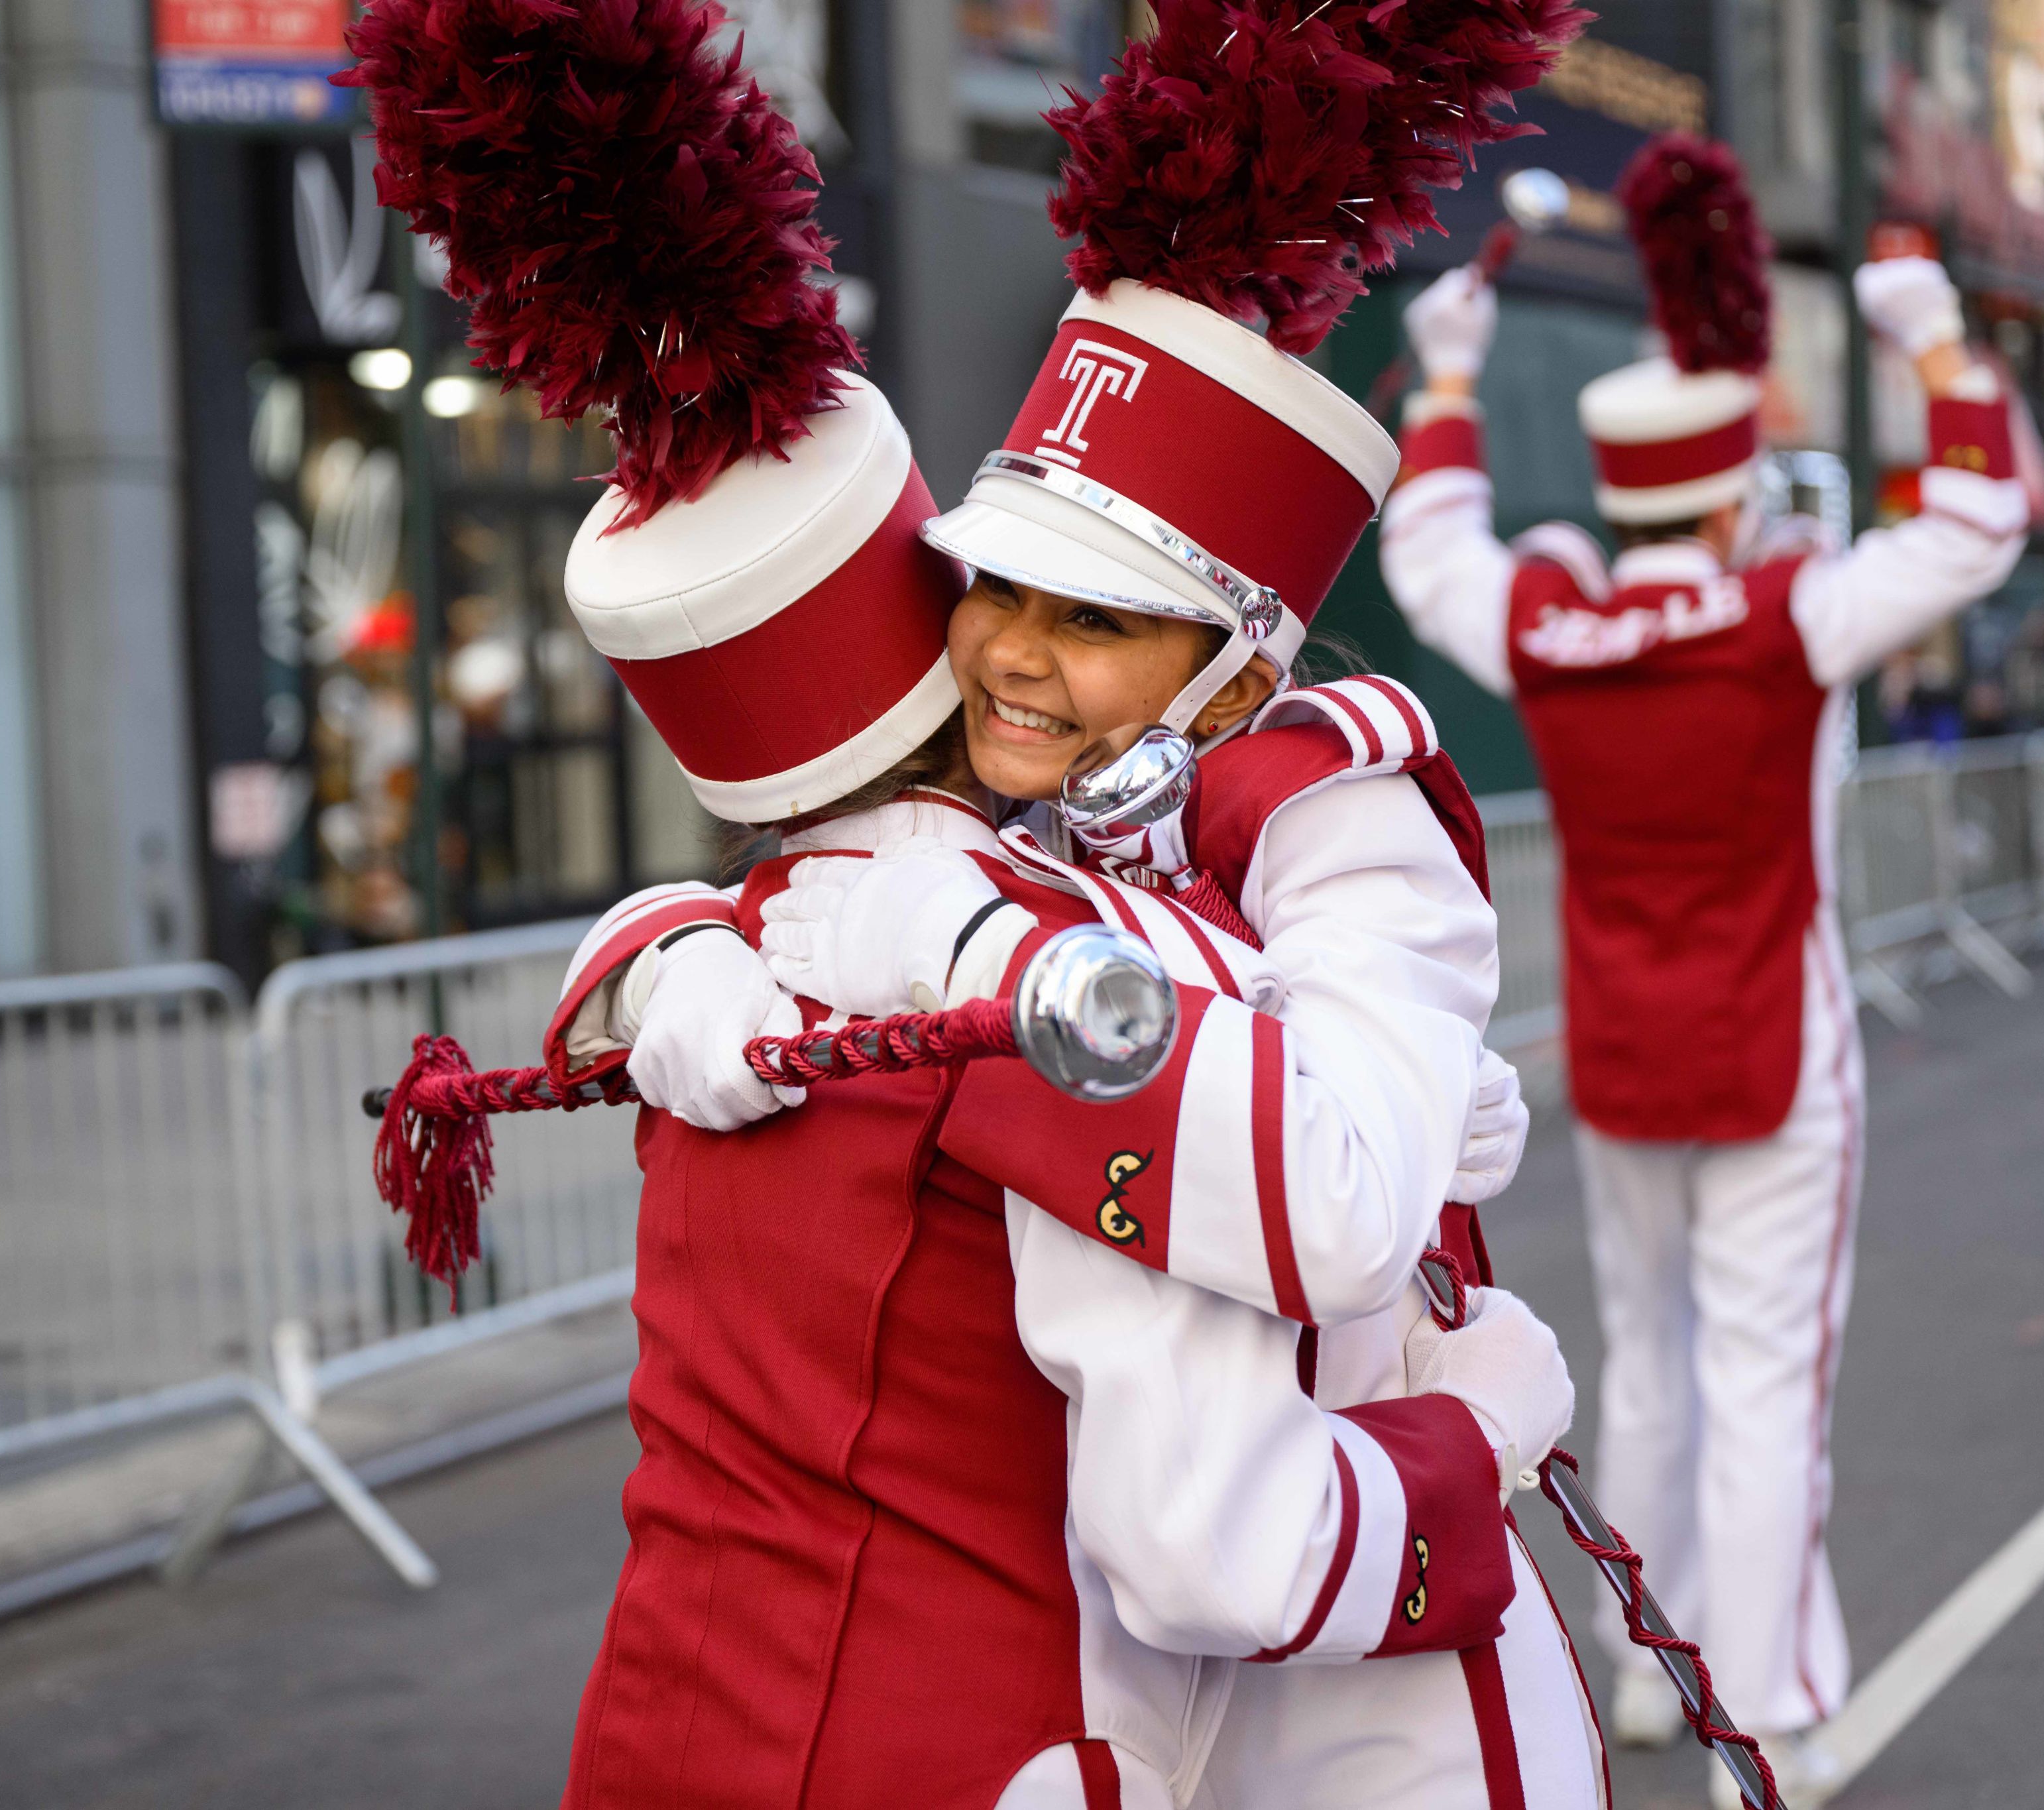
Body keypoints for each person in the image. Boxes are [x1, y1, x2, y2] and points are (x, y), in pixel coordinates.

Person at [353, 2, 1601, 1805]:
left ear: (1242, 673)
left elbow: (1327, 1193)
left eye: (1091, 616)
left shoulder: (1302, 827)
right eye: (991, 587)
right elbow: (1218, 1525)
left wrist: (749, 947)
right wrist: (1477, 1432)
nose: (1014, 650)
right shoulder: (1016, 920)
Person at [1375, 133, 2033, 1801]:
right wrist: (1933, 344)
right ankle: (1778, 1705)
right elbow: (1978, 522)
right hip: (1773, 1052)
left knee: (1649, 1364)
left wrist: (1444, 377)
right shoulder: (1785, 615)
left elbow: (1430, 547)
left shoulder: (1550, 621)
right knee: (1761, 1384)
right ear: (1733, 496)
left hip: (1623, 1052)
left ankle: (1647, 1666)